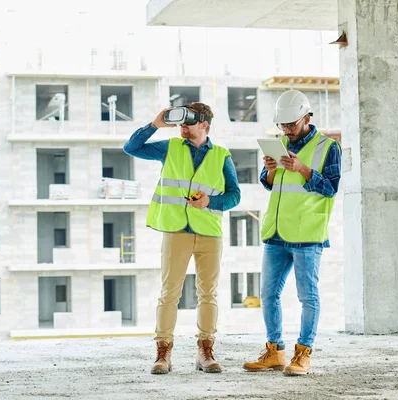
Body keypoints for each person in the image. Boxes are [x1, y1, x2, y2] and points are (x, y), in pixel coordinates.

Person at [123, 103, 241, 375]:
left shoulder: (222, 155)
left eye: (189, 122)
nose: (183, 127)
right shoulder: (170, 148)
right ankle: (163, 354)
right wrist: (154, 125)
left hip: (209, 233)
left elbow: (235, 196)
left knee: (208, 294)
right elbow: (131, 148)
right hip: (176, 231)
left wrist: (212, 201)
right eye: (180, 123)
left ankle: (205, 351)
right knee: (169, 294)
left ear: (205, 124)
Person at [242, 90, 342, 376]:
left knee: (307, 296)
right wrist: (271, 170)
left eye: (291, 125)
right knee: (268, 294)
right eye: (283, 125)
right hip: (276, 232)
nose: (287, 130)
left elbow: (331, 187)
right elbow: (270, 185)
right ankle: (274, 353)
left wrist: (302, 168)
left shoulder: (327, 147)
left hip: (307, 235)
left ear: (306, 117)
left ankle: (303, 355)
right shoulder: (280, 144)